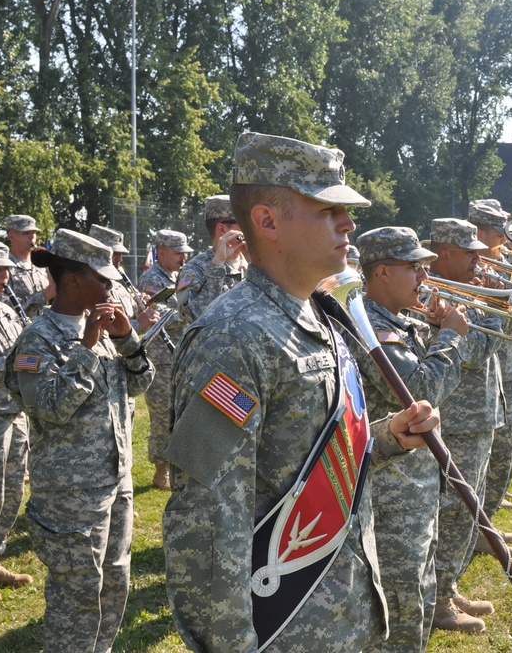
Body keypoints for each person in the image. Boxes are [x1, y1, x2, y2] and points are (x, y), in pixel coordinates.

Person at [162, 132, 440, 651]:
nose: (349, 224)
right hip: (284, 627)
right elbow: (205, 518)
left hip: (349, 609)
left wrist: (385, 439)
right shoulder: (231, 337)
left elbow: (302, 455)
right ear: (267, 222)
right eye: (327, 210)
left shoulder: (322, 315)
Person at [4, 229, 154, 651]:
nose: (110, 286)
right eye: (101, 278)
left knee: (114, 586)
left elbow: (141, 384)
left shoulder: (105, 329)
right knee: (76, 601)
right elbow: (50, 407)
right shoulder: (40, 338)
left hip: (114, 482)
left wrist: (125, 339)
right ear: (71, 278)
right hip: (71, 496)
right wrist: (87, 346)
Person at [354, 226, 469, 652]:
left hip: (417, 488)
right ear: (382, 271)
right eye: (413, 267)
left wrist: (439, 331)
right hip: (393, 496)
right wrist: (451, 337)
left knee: (418, 596)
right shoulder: (372, 330)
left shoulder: (400, 322)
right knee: (400, 611)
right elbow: (422, 391)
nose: (424, 276)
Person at [426, 217, 505, 633]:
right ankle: (436, 601)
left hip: (479, 414)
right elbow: (471, 351)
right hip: (457, 418)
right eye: (468, 251)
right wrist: (497, 310)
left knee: (463, 510)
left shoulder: (466, 289)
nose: (479, 257)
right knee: (453, 508)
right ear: (444, 254)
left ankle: (445, 585)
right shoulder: (430, 293)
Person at [468, 200, 512, 547]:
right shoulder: (470, 267)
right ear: (480, 230)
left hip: (509, 366)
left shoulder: (505, 262)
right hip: (487, 371)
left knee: (504, 452)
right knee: (488, 456)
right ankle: (478, 531)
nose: (506, 237)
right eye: (498, 231)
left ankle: (485, 522)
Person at [0, 242, 32, 603]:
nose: (6, 275)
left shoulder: (6, 310)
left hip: (14, 412)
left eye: (6, 269)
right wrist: (16, 364)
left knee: (12, 490)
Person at [138, 229, 192, 490]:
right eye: (178, 252)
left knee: (178, 413)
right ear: (161, 252)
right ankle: (161, 470)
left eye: (184, 252)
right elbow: (156, 312)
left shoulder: (177, 276)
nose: (183, 257)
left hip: (178, 354)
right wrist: (189, 311)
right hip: (160, 359)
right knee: (162, 415)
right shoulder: (151, 278)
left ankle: (176, 463)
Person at [176, 195, 249, 325]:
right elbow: (194, 316)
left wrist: (256, 265)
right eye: (243, 222)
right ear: (222, 229)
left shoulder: (253, 264)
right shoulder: (194, 269)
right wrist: (217, 265)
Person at [88, 225, 160, 336]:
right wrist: (137, 324)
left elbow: (137, 322)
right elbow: (104, 333)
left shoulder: (120, 287)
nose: (120, 259)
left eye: (120, 254)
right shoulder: (89, 288)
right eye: (114, 253)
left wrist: (143, 309)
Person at [4, 214, 54, 318]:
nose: (32, 237)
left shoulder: (42, 264)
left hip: (46, 330)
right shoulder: (3, 267)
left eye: (34, 232)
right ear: (11, 236)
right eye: (26, 233)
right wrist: (43, 296)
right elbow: (5, 308)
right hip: (21, 331)